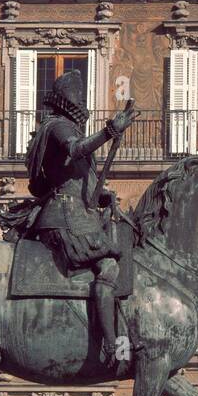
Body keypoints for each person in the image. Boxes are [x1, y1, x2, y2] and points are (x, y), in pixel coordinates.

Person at [24, 70, 137, 364]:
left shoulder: (64, 128)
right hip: (64, 217)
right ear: (70, 102)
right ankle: (112, 348)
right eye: (81, 99)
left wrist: (102, 197)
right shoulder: (58, 127)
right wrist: (110, 131)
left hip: (75, 212)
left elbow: (79, 183)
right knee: (109, 267)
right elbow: (75, 150)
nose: (85, 105)